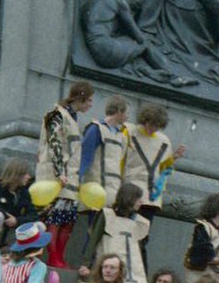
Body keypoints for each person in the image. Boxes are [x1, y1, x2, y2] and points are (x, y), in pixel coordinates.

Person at [36, 80, 94, 267]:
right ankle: (53, 256)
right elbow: (55, 143)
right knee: (56, 217)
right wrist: (60, 171)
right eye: (90, 100)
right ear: (81, 98)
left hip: (70, 176)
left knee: (67, 219)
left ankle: (59, 256)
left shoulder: (72, 117)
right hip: (58, 176)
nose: (91, 105)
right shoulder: (57, 115)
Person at [76, 94, 129, 256]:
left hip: (113, 192)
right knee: (94, 231)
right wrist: (75, 182)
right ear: (118, 111)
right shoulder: (96, 129)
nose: (127, 117)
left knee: (106, 232)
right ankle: (87, 264)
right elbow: (84, 158)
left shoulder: (120, 135)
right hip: (97, 189)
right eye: (125, 112)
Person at [80, 183, 150, 283]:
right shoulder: (107, 215)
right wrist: (85, 264)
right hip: (107, 268)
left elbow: (139, 252)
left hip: (129, 275)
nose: (141, 202)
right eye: (138, 199)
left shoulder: (139, 222)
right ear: (129, 198)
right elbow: (93, 240)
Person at [124, 104, 185, 222]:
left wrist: (173, 158)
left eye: (157, 126)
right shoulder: (130, 132)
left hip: (150, 198)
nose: (153, 128)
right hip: (130, 192)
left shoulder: (164, 141)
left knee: (143, 234)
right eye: (151, 124)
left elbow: (161, 169)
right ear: (145, 120)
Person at [0, 158, 33, 246]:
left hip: (13, 229)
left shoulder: (23, 192)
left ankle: (27, 255)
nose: (29, 177)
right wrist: (7, 217)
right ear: (16, 173)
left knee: (39, 226)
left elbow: (33, 214)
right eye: (26, 174)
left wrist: (17, 220)